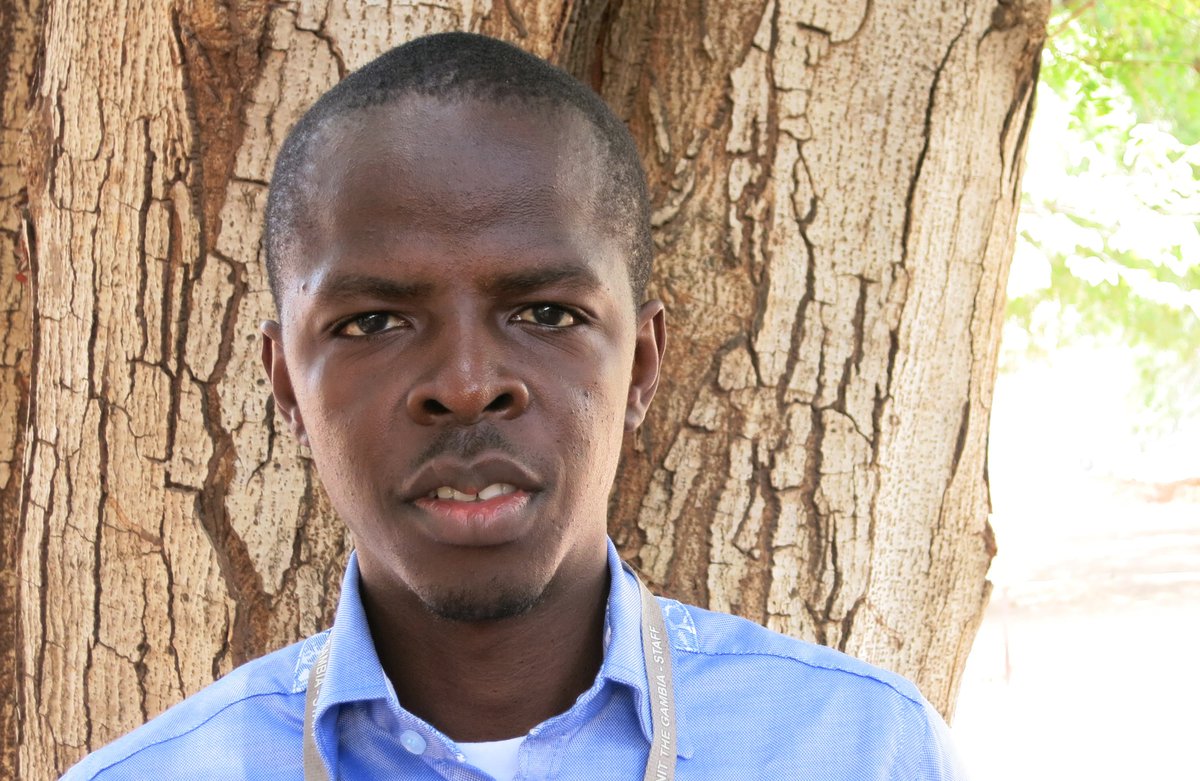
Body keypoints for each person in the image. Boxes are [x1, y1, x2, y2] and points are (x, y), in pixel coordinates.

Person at [64, 32, 965, 781]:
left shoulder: (861, 747)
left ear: (642, 363)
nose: (465, 383)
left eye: (547, 313)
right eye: (373, 321)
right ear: (287, 386)